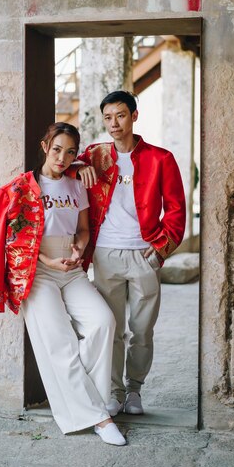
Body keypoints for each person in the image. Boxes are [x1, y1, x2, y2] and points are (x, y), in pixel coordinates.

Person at [0, 122, 126, 446]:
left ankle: (83, 402)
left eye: (71, 152)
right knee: (59, 341)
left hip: (71, 267)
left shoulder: (76, 185)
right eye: (58, 149)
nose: (63, 157)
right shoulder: (22, 188)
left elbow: (84, 229)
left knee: (103, 322)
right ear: (45, 145)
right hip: (38, 270)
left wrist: (78, 247)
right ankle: (100, 418)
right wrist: (47, 261)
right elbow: (12, 242)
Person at [71, 91, 186, 417]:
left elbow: (176, 210)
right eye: (108, 117)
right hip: (105, 254)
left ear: (134, 116)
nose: (114, 124)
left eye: (120, 115)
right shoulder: (94, 156)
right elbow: (61, 167)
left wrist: (159, 251)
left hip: (143, 255)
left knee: (142, 330)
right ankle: (115, 393)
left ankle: (135, 391)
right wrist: (78, 168)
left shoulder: (160, 159)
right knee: (111, 328)